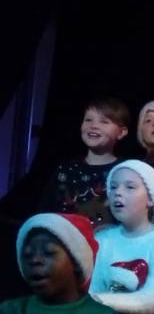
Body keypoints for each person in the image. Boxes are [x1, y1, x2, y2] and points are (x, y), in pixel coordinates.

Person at [89, 160, 154, 314]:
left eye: (130, 187)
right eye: (113, 187)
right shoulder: (102, 240)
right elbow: (93, 289)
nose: (118, 192)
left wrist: (94, 302)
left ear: (151, 198)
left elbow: (153, 299)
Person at [41, 97, 129, 228]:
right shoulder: (64, 170)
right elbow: (45, 215)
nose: (93, 126)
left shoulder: (127, 171)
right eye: (88, 120)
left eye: (104, 122)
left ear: (121, 132)